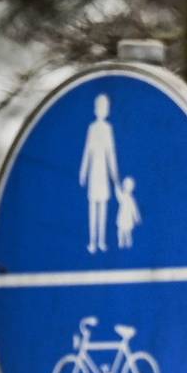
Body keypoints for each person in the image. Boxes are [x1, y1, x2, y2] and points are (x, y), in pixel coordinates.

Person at [78, 93, 119, 253]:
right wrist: (83, 172)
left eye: (105, 107)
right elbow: (87, 151)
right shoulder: (92, 128)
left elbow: (111, 154)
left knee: (103, 207)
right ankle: (92, 241)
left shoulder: (108, 129)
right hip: (94, 173)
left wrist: (115, 176)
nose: (103, 110)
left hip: (103, 174)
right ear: (96, 109)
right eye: (101, 107)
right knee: (92, 207)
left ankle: (102, 241)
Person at [115, 175, 142, 249]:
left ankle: (128, 242)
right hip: (122, 217)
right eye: (126, 185)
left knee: (127, 232)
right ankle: (121, 241)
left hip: (128, 218)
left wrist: (137, 217)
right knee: (120, 231)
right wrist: (117, 187)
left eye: (129, 186)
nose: (127, 187)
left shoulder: (131, 199)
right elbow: (118, 195)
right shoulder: (123, 196)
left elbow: (134, 209)